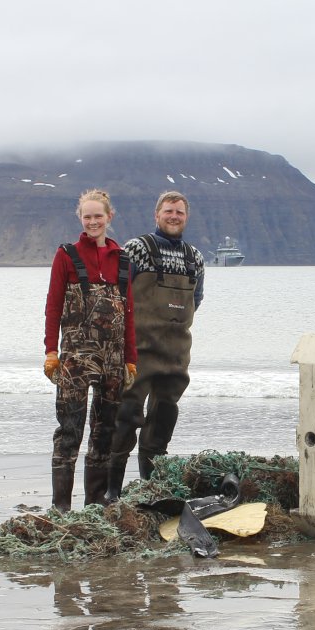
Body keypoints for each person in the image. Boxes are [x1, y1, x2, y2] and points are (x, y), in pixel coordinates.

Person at [107, 191, 206, 497]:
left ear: (186, 217)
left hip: (176, 354)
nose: (174, 216)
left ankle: (152, 490)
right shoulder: (136, 249)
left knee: (163, 421)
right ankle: (111, 491)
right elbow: (117, 294)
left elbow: (197, 299)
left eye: (179, 212)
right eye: (168, 211)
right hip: (138, 351)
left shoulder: (195, 258)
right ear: (157, 215)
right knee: (126, 418)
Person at [43, 189, 137, 512]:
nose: (93, 221)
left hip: (113, 359)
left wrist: (131, 359)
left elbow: (129, 312)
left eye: (99, 216)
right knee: (69, 429)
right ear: (80, 218)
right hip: (75, 358)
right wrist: (50, 351)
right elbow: (53, 306)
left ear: (109, 217)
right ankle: (61, 506)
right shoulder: (66, 255)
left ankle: (95, 503)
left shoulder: (122, 259)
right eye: (87, 216)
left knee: (105, 430)